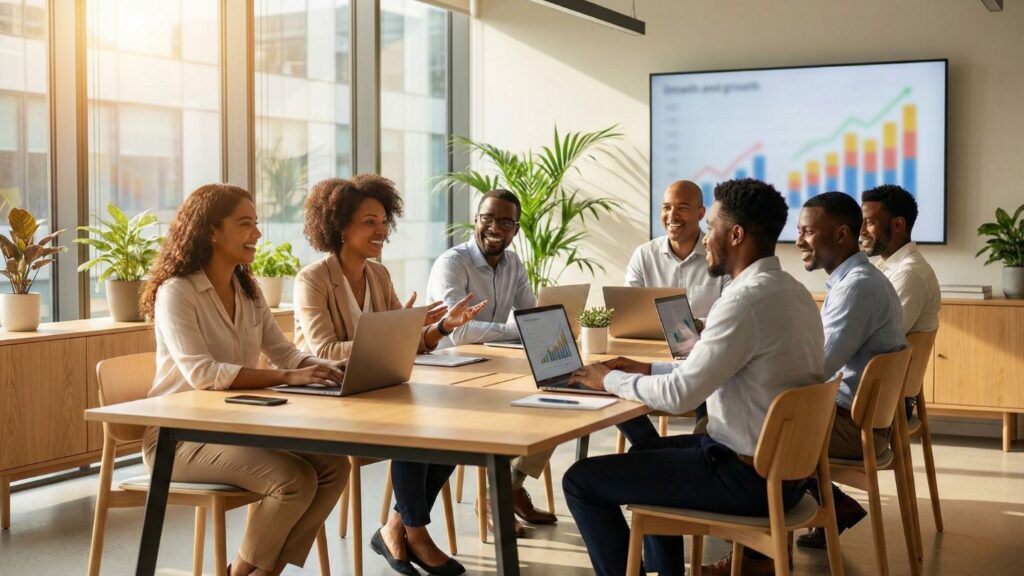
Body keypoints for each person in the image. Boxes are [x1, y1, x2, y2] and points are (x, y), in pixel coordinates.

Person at [563, 179, 826, 576]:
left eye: (713, 227)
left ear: (735, 235)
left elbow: (681, 397)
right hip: (786, 473)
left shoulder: (741, 302)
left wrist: (607, 381)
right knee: (643, 454)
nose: (705, 240)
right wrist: (644, 368)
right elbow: (710, 367)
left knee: (581, 480)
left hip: (746, 478)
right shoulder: (793, 291)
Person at [140, 183, 350, 576]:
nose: (256, 234)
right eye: (245, 224)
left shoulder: (248, 291)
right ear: (210, 231)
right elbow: (202, 373)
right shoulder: (177, 292)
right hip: (178, 437)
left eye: (256, 223)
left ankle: (256, 571)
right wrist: (289, 375)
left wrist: (324, 368)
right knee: (293, 480)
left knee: (334, 466)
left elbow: (284, 351)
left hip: (235, 428)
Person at [293, 175, 485, 576]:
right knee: (413, 429)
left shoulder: (378, 275)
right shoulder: (313, 279)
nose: (381, 230)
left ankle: (399, 527)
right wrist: (392, 336)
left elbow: (407, 342)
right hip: (330, 395)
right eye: (369, 222)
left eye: (383, 221)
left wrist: (442, 328)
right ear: (340, 226)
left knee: (450, 429)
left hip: (377, 389)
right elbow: (324, 351)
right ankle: (413, 532)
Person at [425, 189, 556, 536]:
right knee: (504, 415)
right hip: (448, 378)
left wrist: (547, 326)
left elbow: (531, 315)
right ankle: (494, 499)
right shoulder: (452, 263)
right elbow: (459, 332)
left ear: (515, 229)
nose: (494, 227)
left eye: (505, 221)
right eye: (487, 218)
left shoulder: (513, 264)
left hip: (493, 365)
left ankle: (509, 486)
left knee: (559, 399)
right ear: (476, 220)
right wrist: (520, 328)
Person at [793, 191, 907, 550]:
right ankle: (832, 505)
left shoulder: (856, 289)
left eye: (808, 232)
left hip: (852, 427)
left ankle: (754, 554)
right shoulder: (859, 281)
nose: (798, 242)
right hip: (858, 418)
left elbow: (815, 369)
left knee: (738, 426)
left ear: (842, 235)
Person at [621, 180, 728, 443]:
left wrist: (698, 325)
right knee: (613, 377)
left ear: (701, 214)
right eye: (666, 207)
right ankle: (650, 447)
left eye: (682, 208)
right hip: (651, 352)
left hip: (702, 356)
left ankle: (703, 446)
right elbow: (628, 310)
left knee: (714, 379)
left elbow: (729, 314)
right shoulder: (644, 255)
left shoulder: (720, 257)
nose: (672, 216)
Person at [860, 184, 940, 335]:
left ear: (898, 224)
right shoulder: (885, 268)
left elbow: (882, 338)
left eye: (869, 223)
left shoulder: (909, 274)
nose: (861, 231)